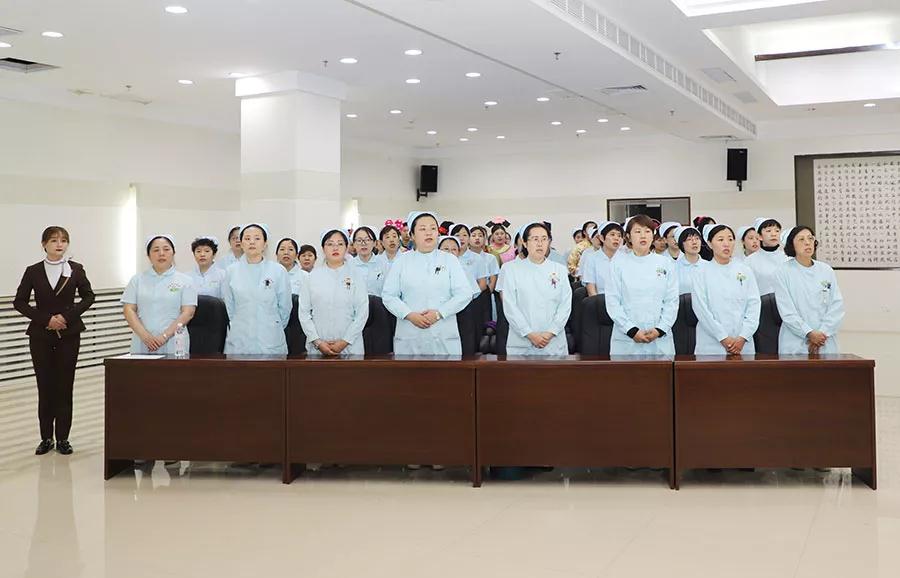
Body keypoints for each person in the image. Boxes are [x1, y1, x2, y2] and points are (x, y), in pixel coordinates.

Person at [14, 226, 96, 456]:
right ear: (44, 244)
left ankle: (63, 438)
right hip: (40, 336)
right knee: (45, 386)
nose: (59, 244)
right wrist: (46, 319)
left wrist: (66, 316)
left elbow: (89, 296)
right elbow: (19, 302)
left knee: (65, 386)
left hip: (69, 335)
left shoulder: (75, 269)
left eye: (63, 240)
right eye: (54, 240)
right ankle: (45, 438)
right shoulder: (33, 271)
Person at [382, 211, 473, 355]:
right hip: (410, 331)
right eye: (422, 229)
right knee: (409, 369)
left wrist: (439, 313)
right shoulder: (401, 261)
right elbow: (388, 295)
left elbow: (464, 294)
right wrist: (409, 315)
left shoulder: (450, 260)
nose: (429, 233)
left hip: (443, 331)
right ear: (412, 235)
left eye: (433, 228)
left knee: (445, 369)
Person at [605, 215, 679, 355]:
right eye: (637, 231)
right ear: (628, 237)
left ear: (653, 235)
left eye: (647, 231)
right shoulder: (617, 264)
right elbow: (612, 301)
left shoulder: (665, 263)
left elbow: (672, 301)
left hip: (659, 338)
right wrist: (631, 330)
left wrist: (660, 329)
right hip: (626, 339)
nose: (643, 236)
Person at [498, 222, 572, 356]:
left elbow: (565, 305)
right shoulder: (511, 269)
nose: (540, 244)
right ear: (525, 243)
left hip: (553, 342)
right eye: (535, 239)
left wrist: (551, 332)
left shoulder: (559, 270)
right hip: (522, 341)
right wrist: (529, 333)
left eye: (544, 239)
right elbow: (510, 306)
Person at [222, 224, 292, 354]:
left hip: (271, 338)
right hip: (240, 337)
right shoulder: (231, 271)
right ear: (241, 243)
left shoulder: (278, 271)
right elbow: (230, 307)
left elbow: (285, 307)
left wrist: (271, 324)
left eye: (257, 238)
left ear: (265, 244)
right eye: (247, 238)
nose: (252, 242)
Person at [691, 224, 760, 355]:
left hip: (742, 344)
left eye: (730, 239)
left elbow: (754, 305)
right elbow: (701, 309)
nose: (726, 244)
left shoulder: (745, 270)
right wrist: (722, 337)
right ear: (709, 244)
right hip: (711, 344)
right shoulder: (701, 272)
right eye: (720, 239)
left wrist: (743, 336)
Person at [122, 235, 197, 355]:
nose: (161, 253)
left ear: (173, 253)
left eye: (166, 249)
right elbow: (128, 310)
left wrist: (164, 336)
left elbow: (188, 313)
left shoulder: (186, 281)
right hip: (142, 340)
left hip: (174, 341)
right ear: (148, 255)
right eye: (156, 250)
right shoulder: (137, 280)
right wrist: (145, 336)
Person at [774, 226, 844, 355]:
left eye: (810, 238)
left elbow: (836, 306)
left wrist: (822, 333)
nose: (807, 242)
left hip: (825, 339)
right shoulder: (783, 271)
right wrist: (809, 333)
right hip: (795, 341)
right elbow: (787, 310)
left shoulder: (826, 270)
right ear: (791, 245)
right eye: (801, 239)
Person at [299, 229, 369, 356]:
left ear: (346, 248)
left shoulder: (356, 276)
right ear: (323, 248)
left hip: (350, 347)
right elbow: (304, 313)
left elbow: (362, 313)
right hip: (318, 347)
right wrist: (317, 342)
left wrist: (344, 341)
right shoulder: (312, 277)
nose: (335, 248)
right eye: (330, 244)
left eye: (340, 244)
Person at [746, 217, 789, 295]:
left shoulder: (787, 258)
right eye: (768, 231)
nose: (774, 234)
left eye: (777, 231)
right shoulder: (749, 261)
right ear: (759, 236)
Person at [584, 221, 623, 296]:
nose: (616, 238)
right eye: (612, 234)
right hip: (601, 300)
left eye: (619, 235)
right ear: (602, 238)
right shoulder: (591, 258)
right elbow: (591, 291)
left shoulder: (625, 258)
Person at [351, 226, 390, 295]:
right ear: (354, 244)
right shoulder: (348, 265)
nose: (363, 243)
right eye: (359, 240)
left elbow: (390, 290)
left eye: (367, 240)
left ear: (374, 243)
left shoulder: (384, 264)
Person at [451, 223, 489, 292]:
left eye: (465, 235)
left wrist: (470, 295)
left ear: (469, 238)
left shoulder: (477, 258)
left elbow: (483, 284)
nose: (461, 238)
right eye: (457, 235)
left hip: (473, 296)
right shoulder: (448, 258)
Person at [674, 226, 705, 295]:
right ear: (681, 244)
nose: (694, 242)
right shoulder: (674, 268)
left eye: (697, 238)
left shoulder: (708, 266)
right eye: (689, 239)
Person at [470, 225, 499, 292]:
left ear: (484, 239)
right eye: (473, 235)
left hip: (486, 293)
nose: (477, 238)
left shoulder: (491, 258)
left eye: (480, 236)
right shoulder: (463, 258)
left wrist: (487, 294)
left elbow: (493, 280)